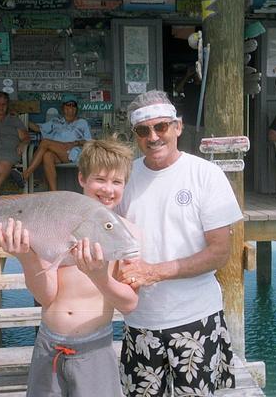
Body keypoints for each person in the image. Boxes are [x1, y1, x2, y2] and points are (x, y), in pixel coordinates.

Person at [117, 90, 240, 396]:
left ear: (178, 127)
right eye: (144, 131)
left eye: (161, 127)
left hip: (196, 318)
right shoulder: (124, 177)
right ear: (136, 135)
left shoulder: (206, 174)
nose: (154, 137)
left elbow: (219, 252)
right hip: (140, 322)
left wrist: (154, 272)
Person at [0, 139, 138, 396]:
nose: (108, 189)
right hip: (49, 348)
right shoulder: (54, 224)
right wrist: (26, 256)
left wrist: (99, 277)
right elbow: (46, 296)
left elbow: (129, 304)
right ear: (81, 178)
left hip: (95, 352)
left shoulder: (126, 235)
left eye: (117, 182)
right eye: (100, 179)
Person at [23, 94, 91, 191]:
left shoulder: (82, 123)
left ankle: (26, 174)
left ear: (76, 108)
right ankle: (54, 192)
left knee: (45, 142)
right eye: (68, 105)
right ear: (63, 107)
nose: (71, 107)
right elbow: (38, 129)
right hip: (58, 153)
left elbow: (89, 142)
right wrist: (21, 119)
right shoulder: (56, 121)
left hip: (73, 152)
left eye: (73, 105)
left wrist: (76, 143)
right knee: (47, 155)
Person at [0, 91, 30, 189]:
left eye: (4, 104)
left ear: (7, 105)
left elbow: (26, 137)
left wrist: (23, 143)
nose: (1, 106)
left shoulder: (14, 120)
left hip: (8, 152)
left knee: (1, 165)